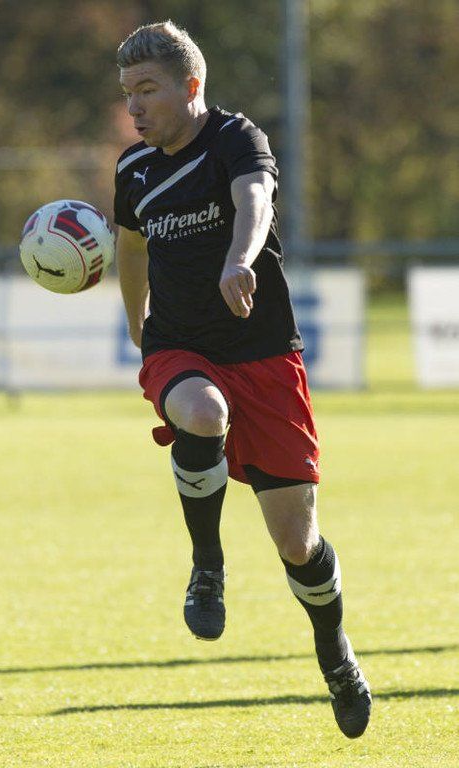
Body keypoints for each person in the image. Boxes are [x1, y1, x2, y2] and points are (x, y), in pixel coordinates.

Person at [114, 21, 371, 739]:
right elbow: (129, 249)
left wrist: (239, 259)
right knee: (201, 412)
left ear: (191, 86)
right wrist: (136, 327)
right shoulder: (133, 170)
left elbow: (255, 200)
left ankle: (334, 653)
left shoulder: (236, 138)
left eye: (148, 89)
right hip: (180, 348)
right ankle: (207, 564)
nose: (135, 107)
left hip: (263, 355)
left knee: (298, 544)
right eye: (128, 93)